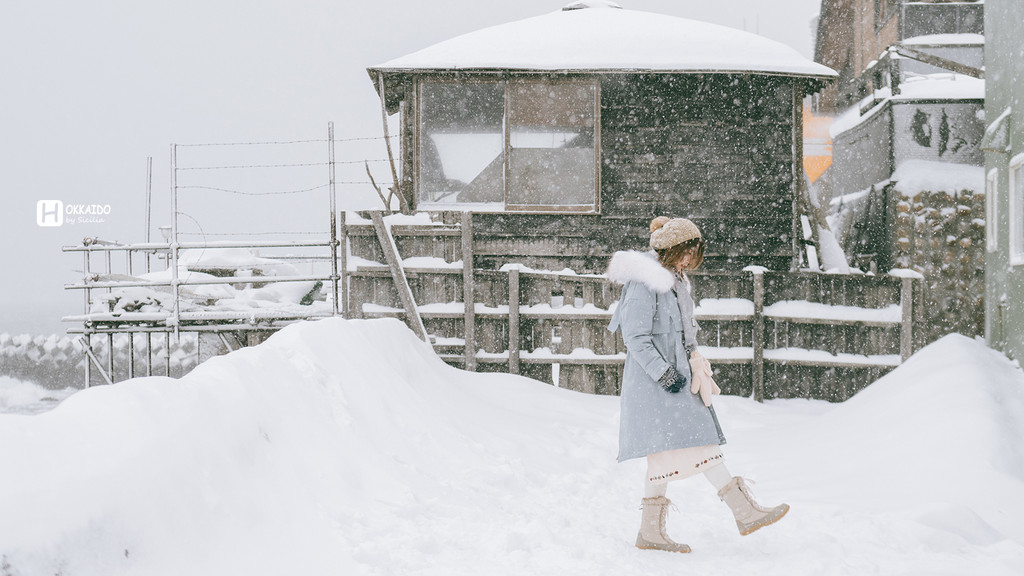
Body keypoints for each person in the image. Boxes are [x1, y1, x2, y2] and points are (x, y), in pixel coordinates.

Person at [606, 216, 789, 553]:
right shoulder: (645, 283)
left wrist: (692, 357)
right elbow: (635, 336)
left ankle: (650, 533)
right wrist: (664, 373)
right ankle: (743, 511)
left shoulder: (675, 279)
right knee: (698, 442)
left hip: (676, 379)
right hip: (656, 384)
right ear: (670, 249)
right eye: (685, 252)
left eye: (694, 253)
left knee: (663, 455)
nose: (689, 260)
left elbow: (681, 331)